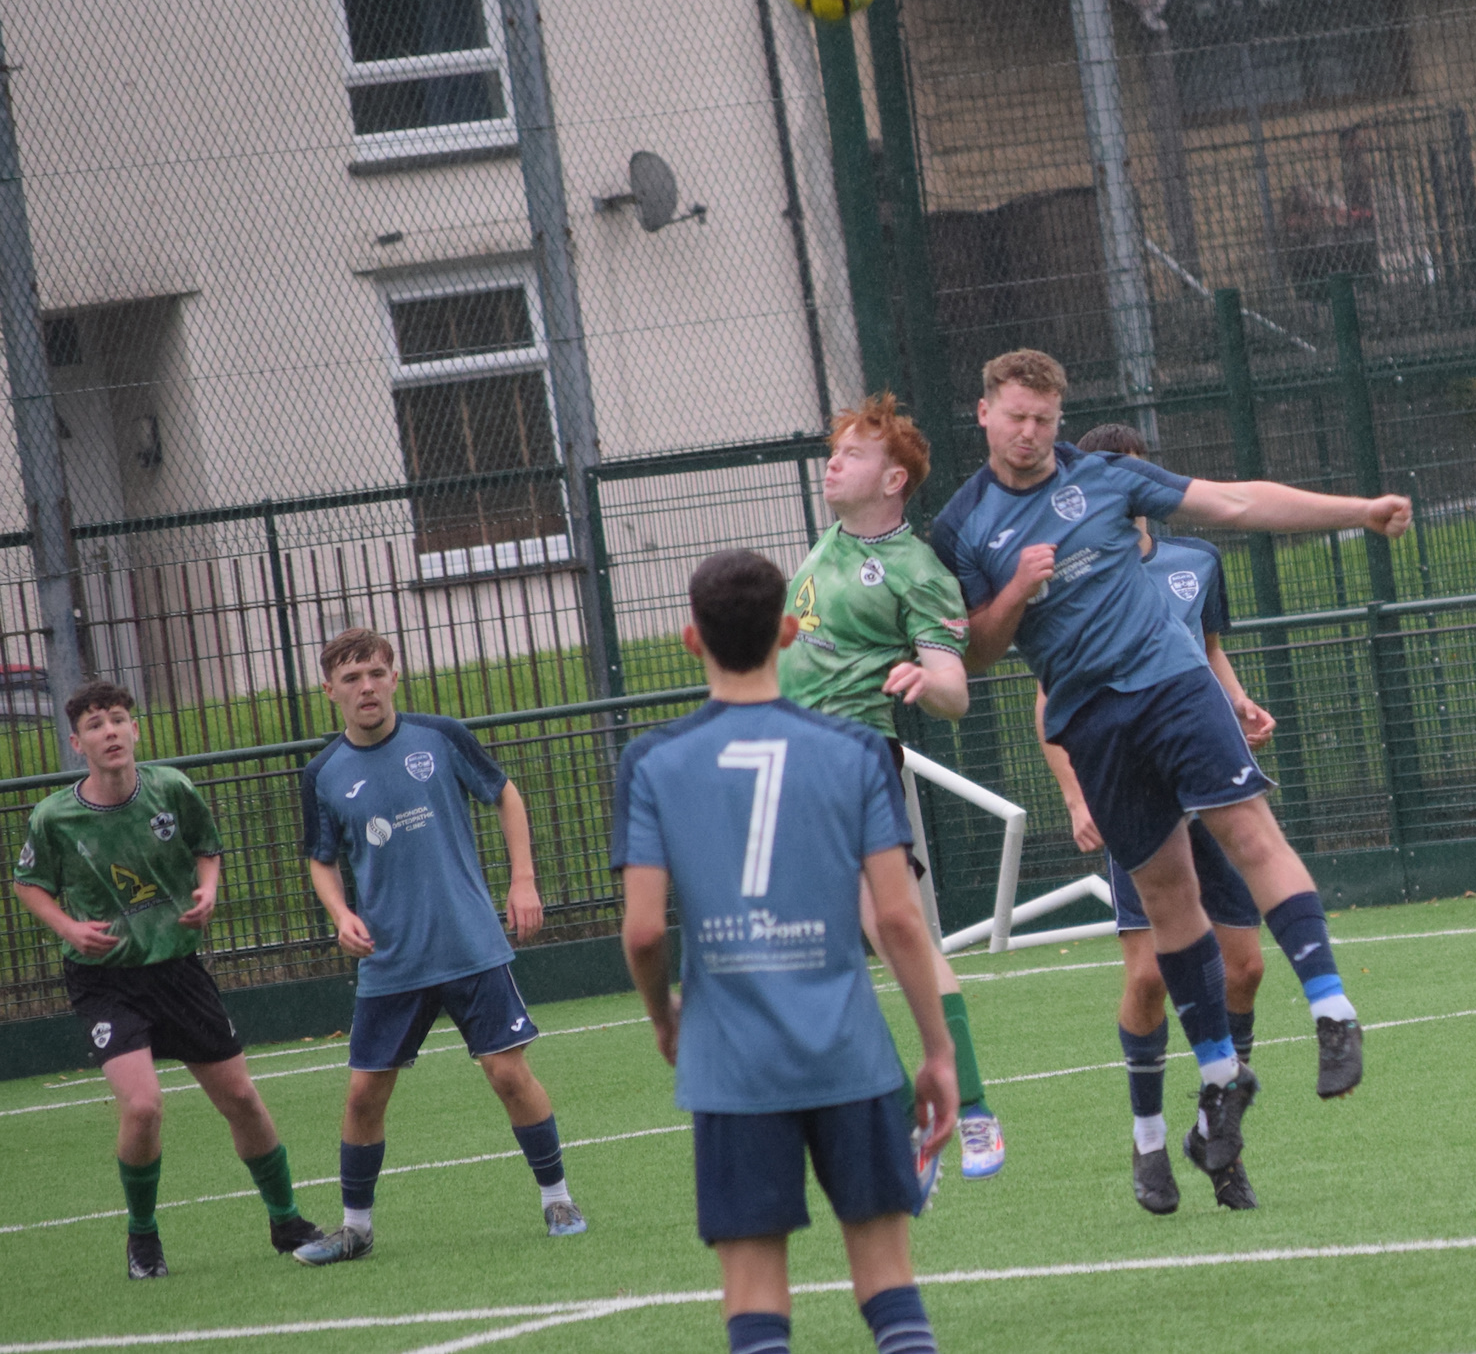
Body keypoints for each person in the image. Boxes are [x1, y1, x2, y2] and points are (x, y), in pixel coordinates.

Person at [934, 348, 1411, 1177]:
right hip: (1091, 722)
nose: (1030, 433)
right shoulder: (963, 526)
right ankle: (1220, 1076)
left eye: (1045, 419)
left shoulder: (1109, 477)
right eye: (1015, 417)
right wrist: (1014, 590)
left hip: (1171, 684)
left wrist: (1359, 509)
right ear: (984, 413)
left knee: (1248, 830)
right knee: (1165, 900)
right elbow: (973, 651)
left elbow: (1234, 500)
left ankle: (1333, 1010)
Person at [617, 548, 958, 1354]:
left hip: (732, 1065)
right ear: (791, 631)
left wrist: (664, 1016)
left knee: (754, 1295)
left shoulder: (653, 760)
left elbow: (640, 931)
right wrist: (938, 1050)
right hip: (850, 1054)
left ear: (690, 638)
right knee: (887, 1281)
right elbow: (901, 921)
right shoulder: (856, 750)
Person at [10, 680, 325, 1279]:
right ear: (78, 743)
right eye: (96, 725)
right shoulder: (54, 816)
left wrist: (207, 890)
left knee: (240, 1098)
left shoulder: (171, 787)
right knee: (145, 1107)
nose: (110, 732)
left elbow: (208, 848)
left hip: (178, 969)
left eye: (118, 720)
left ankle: (286, 1220)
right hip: (105, 980)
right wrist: (68, 929)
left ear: (135, 730)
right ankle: (143, 1238)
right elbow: (28, 883)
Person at [1034, 423, 1270, 1214]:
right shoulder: (1076, 574)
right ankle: (1146, 1142)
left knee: (1247, 967)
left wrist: (1237, 702)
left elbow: (1204, 650)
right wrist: (1075, 795)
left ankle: (1220, 1130)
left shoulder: (1195, 561)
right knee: (1148, 978)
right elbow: (1050, 699)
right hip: (1136, 790)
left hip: (1206, 784)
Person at [291, 628, 584, 1266]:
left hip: (469, 942)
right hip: (391, 960)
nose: (365, 687)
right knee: (365, 1093)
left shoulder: (440, 738)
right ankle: (355, 1230)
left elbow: (505, 794)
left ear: (393, 676)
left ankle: (558, 1198)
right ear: (330, 691)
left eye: (375, 672)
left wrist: (524, 879)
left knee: (508, 1073)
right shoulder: (323, 774)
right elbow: (320, 860)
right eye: (351, 678)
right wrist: (341, 913)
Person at [780, 392, 1004, 1180]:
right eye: (833, 448)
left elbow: (954, 687)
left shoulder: (913, 569)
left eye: (854, 451)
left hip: (850, 757)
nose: (834, 461)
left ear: (895, 479)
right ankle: (900, 1123)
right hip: (786, 766)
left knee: (897, 931)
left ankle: (970, 1107)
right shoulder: (827, 545)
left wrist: (925, 678)